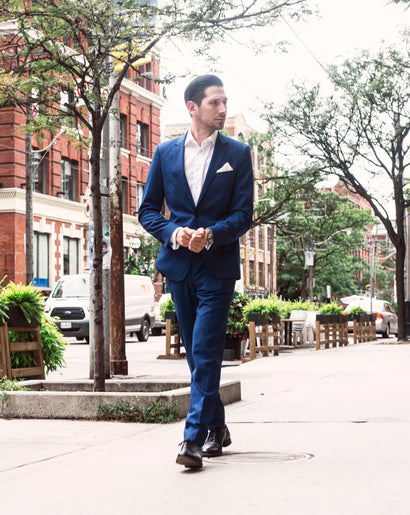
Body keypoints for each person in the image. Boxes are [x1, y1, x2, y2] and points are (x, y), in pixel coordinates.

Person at [137, 74, 253, 469]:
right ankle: (218, 426)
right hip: (180, 267)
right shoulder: (165, 153)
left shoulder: (237, 154)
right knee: (196, 356)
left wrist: (212, 234)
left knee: (204, 350)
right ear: (193, 107)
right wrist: (175, 233)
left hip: (217, 267)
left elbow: (243, 215)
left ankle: (192, 439)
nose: (222, 109)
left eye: (224, 102)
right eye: (214, 103)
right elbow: (148, 211)